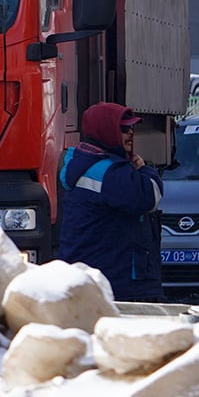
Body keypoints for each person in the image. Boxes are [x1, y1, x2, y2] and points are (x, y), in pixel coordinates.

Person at [57, 102, 165, 302]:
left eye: (132, 128)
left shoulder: (84, 163)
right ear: (107, 131)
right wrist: (144, 168)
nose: (131, 133)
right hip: (120, 284)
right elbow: (150, 196)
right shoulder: (111, 173)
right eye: (124, 129)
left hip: (93, 279)